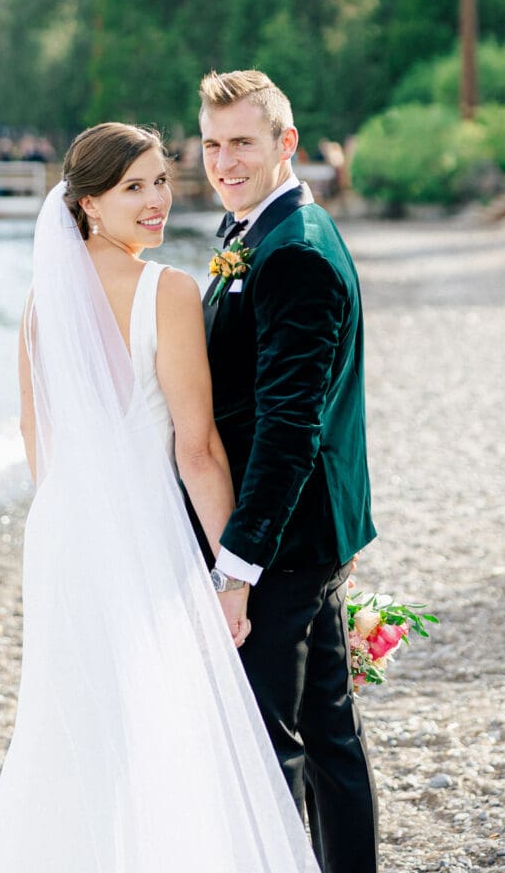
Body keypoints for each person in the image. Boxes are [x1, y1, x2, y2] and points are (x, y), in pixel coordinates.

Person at [0, 122, 318, 872]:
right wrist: (233, 574)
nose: (157, 200)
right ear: (88, 204)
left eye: (161, 180)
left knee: (78, 721)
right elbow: (197, 450)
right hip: (142, 531)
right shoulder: (169, 291)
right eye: (134, 188)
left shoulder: (42, 304)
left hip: (63, 533)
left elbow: (40, 442)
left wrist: (81, 516)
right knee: (163, 717)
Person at [194, 70, 379, 873]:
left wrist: (238, 565)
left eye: (242, 141)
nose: (224, 160)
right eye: (210, 143)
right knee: (329, 732)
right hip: (315, 527)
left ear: (285, 143)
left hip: (287, 539)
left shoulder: (292, 252)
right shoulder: (262, 232)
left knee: (273, 749)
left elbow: (289, 426)